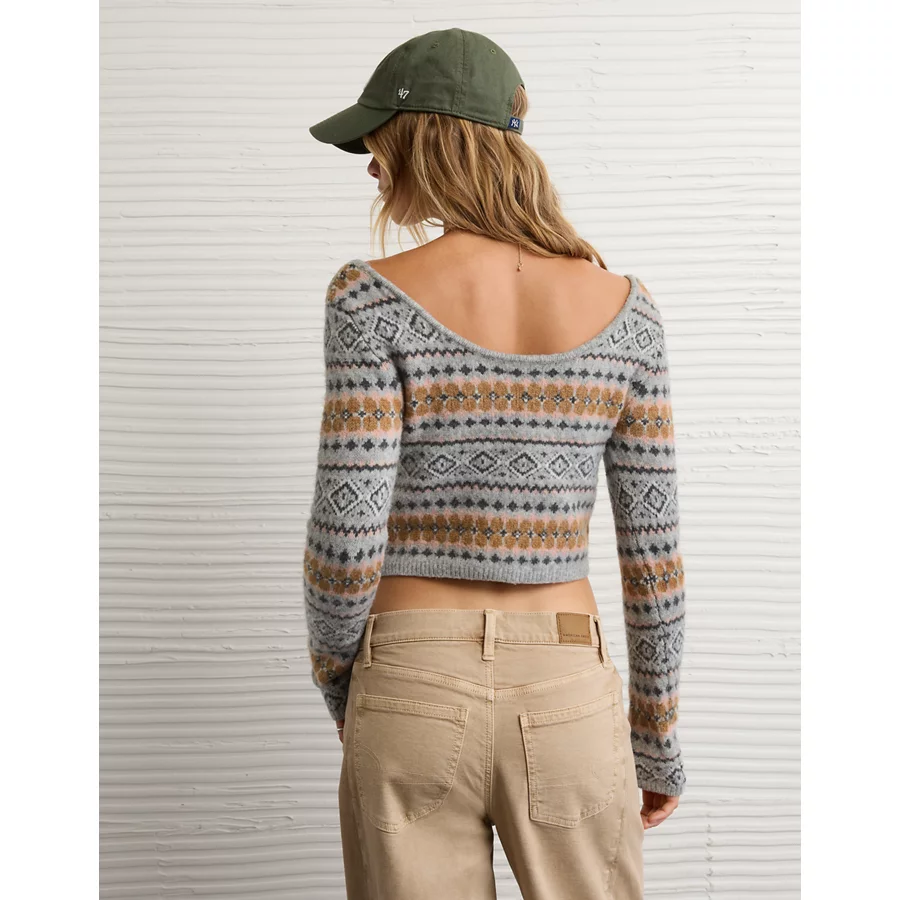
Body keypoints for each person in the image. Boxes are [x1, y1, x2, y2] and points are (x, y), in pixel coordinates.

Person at [306, 27, 686, 900]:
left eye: (379, 141)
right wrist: (656, 734)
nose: (372, 166)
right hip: (566, 683)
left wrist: (348, 688)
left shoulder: (369, 299)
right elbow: (653, 557)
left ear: (426, 140)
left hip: (408, 674)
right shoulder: (627, 312)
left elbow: (346, 537)